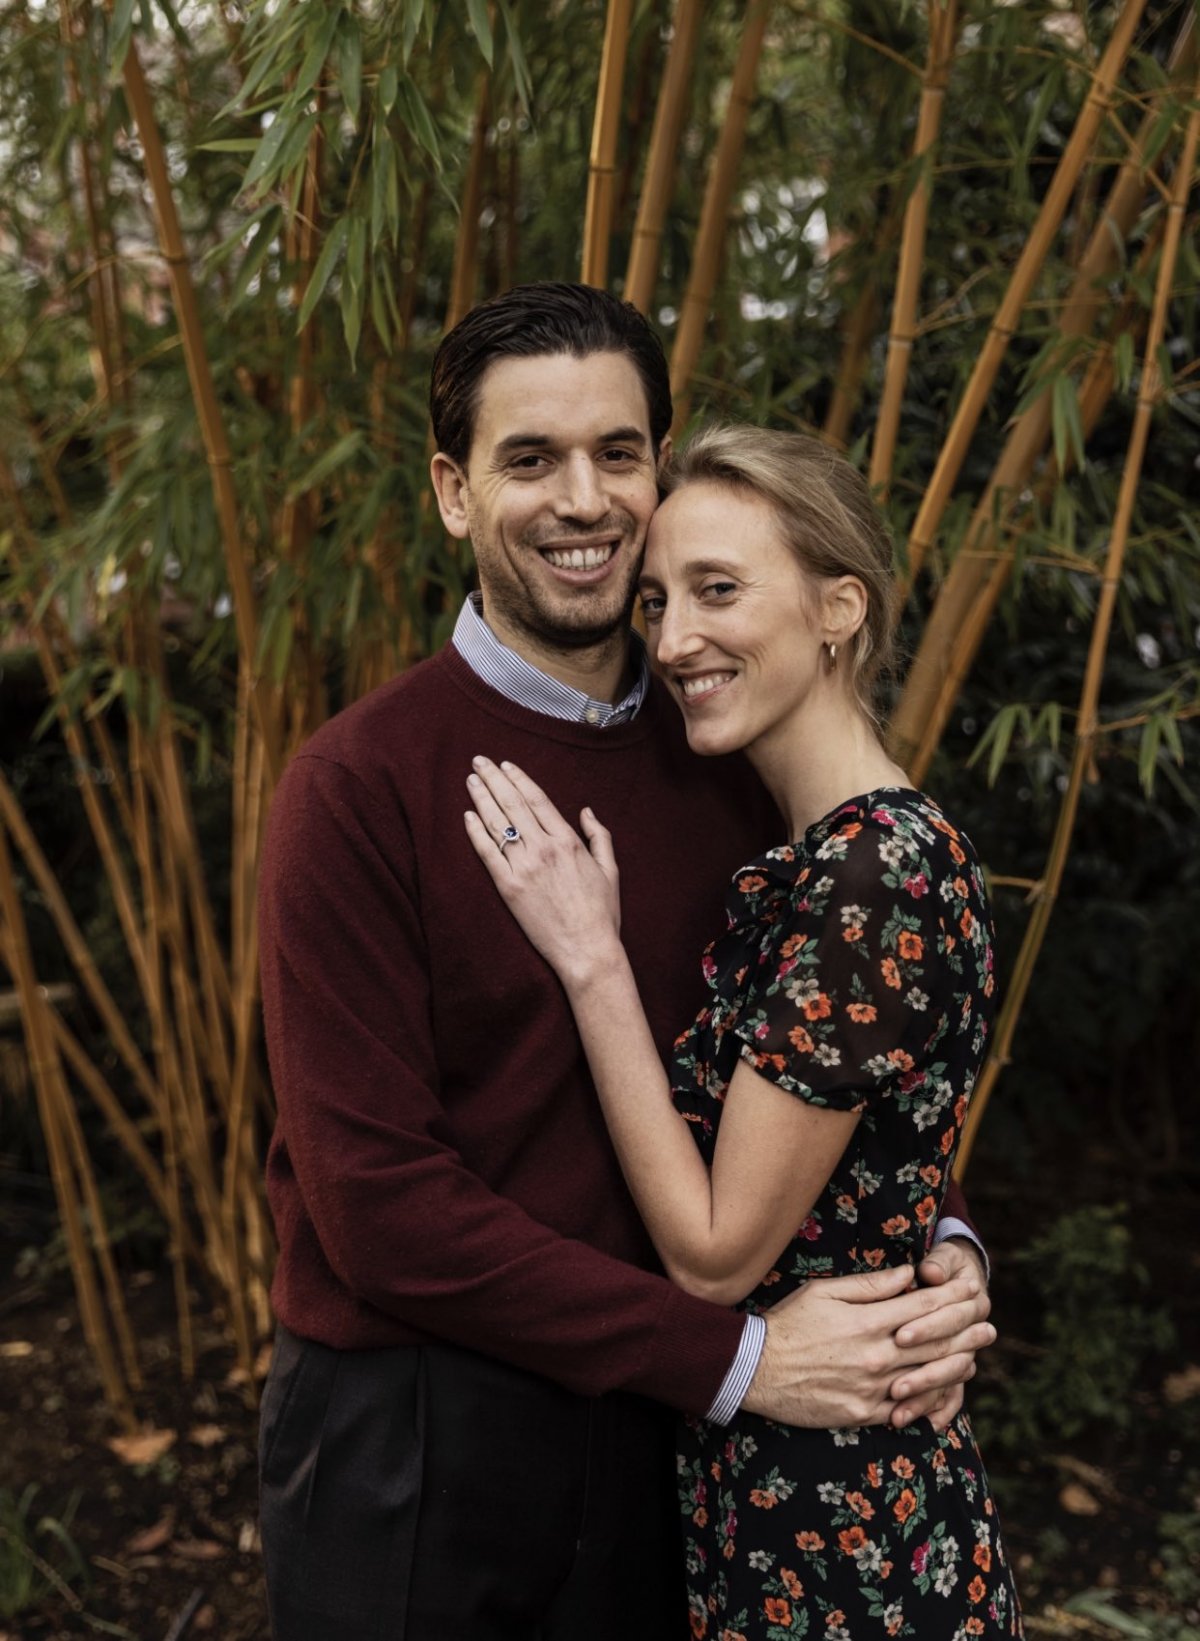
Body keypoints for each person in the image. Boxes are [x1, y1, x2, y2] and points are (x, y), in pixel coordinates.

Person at [256, 283, 995, 1641]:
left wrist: (930, 1243)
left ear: (660, 467)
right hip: (428, 1438)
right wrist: (740, 1359)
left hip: (675, 1438)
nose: (583, 498)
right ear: (454, 492)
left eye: (618, 453)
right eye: (529, 459)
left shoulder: (725, 741)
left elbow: (825, 1044)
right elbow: (378, 1208)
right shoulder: (357, 786)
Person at [464, 421, 1022, 1639]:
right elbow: (883, 1160)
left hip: (852, 1533)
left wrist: (591, 959)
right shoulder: (819, 860)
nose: (671, 641)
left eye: (719, 590)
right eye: (657, 600)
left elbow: (715, 1254)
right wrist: (955, 1251)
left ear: (838, 609)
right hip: (778, 1493)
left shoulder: (876, 877)